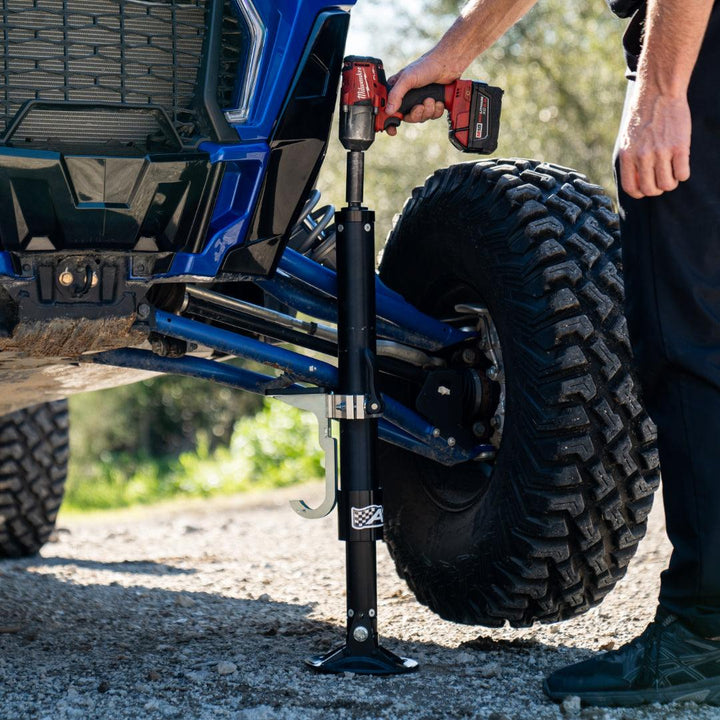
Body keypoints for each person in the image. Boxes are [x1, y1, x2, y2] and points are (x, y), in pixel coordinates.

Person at [386, 0, 720, 708]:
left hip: (699, 50)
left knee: (684, 335)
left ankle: (706, 634)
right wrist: (455, 50)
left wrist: (661, 93)